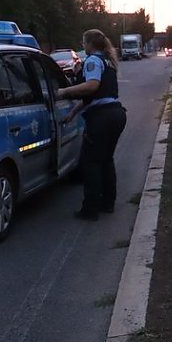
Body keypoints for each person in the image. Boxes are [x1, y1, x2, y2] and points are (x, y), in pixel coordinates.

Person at [57, 29, 127, 221]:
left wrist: (64, 91)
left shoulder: (93, 61)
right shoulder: (108, 61)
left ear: (89, 44)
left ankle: (90, 209)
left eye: (83, 42)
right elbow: (96, 96)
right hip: (115, 114)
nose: (82, 46)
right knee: (105, 160)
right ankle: (108, 203)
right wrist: (73, 113)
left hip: (102, 118)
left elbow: (92, 86)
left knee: (91, 163)